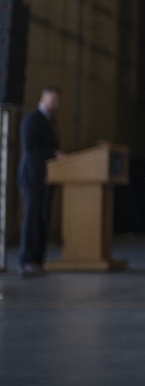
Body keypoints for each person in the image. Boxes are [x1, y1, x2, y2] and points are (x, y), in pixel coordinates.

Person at [17, 86, 62, 276]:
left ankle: (38, 256)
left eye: (58, 101)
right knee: (32, 217)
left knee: (42, 218)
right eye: (53, 100)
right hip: (32, 176)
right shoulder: (32, 120)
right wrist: (53, 154)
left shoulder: (51, 121)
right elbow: (31, 149)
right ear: (43, 99)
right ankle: (28, 258)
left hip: (46, 177)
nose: (56, 104)